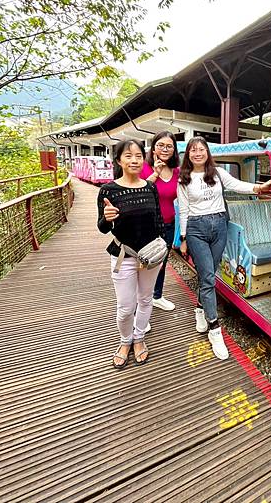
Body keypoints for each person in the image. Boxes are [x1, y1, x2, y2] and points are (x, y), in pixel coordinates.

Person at [178, 137, 271, 360]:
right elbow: (183, 210)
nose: (197, 153)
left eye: (201, 149)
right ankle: (214, 329)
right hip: (196, 229)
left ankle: (200, 309)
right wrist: (183, 238)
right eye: (193, 150)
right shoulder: (184, 179)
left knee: (209, 274)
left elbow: (236, 185)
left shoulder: (218, 173)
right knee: (209, 277)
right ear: (188, 155)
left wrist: (259, 187)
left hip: (220, 226)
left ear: (207, 153)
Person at [97, 139, 165, 369]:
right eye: (128, 155)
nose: (134, 160)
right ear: (118, 160)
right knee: (125, 307)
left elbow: (158, 220)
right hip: (123, 256)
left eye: (138, 155)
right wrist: (107, 218)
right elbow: (102, 228)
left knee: (146, 300)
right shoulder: (108, 190)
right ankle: (124, 341)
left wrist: (162, 249)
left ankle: (139, 339)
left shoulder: (150, 187)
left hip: (151, 257)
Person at [140, 131, 180, 313]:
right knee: (144, 264)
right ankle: (141, 303)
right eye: (161, 145)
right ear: (153, 147)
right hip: (147, 224)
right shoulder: (144, 168)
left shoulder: (177, 171)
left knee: (162, 262)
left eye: (169, 146)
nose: (165, 149)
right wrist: (155, 174)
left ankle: (157, 296)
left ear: (174, 150)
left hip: (169, 223)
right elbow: (139, 193)